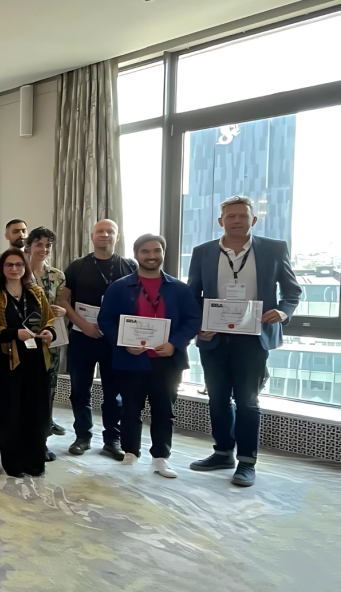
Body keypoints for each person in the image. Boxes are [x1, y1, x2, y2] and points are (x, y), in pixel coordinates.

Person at [186, 195, 301, 487]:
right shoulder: (203, 252)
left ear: (254, 219)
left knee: (248, 402)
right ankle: (222, 452)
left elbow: (292, 291)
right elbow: (192, 295)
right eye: (231, 216)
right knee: (217, 399)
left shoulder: (274, 250)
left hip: (253, 338)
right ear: (221, 221)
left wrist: (283, 312)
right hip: (215, 337)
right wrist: (199, 325)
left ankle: (247, 462)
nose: (237, 221)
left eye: (242, 216)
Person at [99, 234, 201, 479]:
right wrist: (124, 343)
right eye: (145, 251)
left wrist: (175, 343)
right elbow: (106, 320)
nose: (152, 256)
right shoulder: (119, 287)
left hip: (167, 361)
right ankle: (130, 452)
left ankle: (160, 458)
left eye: (157, 250)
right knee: (130, 409)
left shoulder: (178, 288)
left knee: (164, 411)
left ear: (163, 253)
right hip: (130, 360)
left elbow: (193, 319)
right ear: (136, 255)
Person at [59, 219, 136, 459]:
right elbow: (63, 301)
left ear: (117, 236)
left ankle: (112, 440)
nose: (105, 235)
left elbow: (138, 303)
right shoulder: (77, 266)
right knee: (79, 391)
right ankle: (83, 436)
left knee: (114, 393)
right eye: (100, 231)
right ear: (92, 236)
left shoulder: (129, 266)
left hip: (114, 341)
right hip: (82, 337)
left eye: (109, 231)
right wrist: (83, 325)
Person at [0, 248, 57, 478]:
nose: (14, 269)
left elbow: (48, 318)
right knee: (9, 415)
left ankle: (34, 461)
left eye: (19, 265)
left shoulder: (35, 292)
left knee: (36, 413)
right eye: (9, 265)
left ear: (25, 268)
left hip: (35, 362)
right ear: (1, 269)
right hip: (7, 364)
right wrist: (15, 333)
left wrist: (49, 332)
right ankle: (13, 463)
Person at [24, 226, 68, 459]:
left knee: (47, 391)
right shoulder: (17, 270)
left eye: (47, 245)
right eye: (39, 244)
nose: (43, 249)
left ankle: (42, 440)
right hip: (22, 341)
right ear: (29, 246)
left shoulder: (57, 276)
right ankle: (23, 439)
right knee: (23, 390)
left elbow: (63, 303)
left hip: (50, 341)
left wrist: (61, 310)